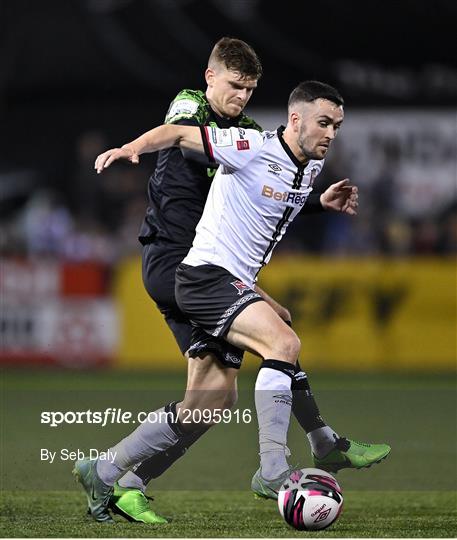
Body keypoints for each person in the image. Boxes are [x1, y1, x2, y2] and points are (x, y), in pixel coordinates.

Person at [76, 50, 390, 524]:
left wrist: (317, 205)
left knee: (213, 398)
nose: (239, 96)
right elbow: (181, 133)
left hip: (211, 270)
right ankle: (291, 458)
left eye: (248, 89)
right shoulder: (210, 117)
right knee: (280, 339)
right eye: (233, 85)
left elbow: (274, 192)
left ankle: (108, 473)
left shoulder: (292, 158)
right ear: (210, 78)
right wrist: (132, 147)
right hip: (180, 261)